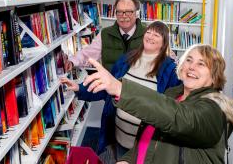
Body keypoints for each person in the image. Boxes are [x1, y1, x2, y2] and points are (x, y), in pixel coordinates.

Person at [83, 44, 233, 164]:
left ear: (214, 77)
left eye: (201, 64)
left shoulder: (215, 109)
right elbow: (148, 141)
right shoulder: (171, 95)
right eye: (188, 60)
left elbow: (181, 118)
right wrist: (128, 160)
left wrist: (120, 88)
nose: (191, 67)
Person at [61, 21, 182, 161]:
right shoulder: (126, 59)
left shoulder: (170, 70)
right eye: (148, 32)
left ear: (164, 42)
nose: (150, 36)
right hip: (119, 136)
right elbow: (106, 87)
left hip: (144, 144)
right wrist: (79, 88)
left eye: (156, 35)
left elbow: (171, 108)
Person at [65, 0, 147, 72]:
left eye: (129, 12)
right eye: (120, 12)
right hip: (110, 84)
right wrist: (72, 62)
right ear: (115, 14)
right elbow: (88, 53)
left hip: (136, 86)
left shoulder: (148, 35)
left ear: (136, 13)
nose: (124, 16)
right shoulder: (105, 34)